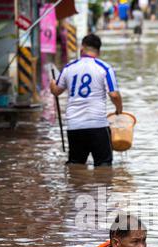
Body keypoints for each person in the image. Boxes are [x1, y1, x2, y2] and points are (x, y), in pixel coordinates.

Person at [50, 34, 123, 166]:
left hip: (75, 126)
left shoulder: (68, 67)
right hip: (98, 126)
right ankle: (102, 188)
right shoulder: (105, 68)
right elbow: (114, 95)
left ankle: (78, 187)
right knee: (103, 168)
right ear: (99, 51)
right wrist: (119, 109)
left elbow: (56, 91)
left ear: (81, 48)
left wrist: (52, 84)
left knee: (76, 165)